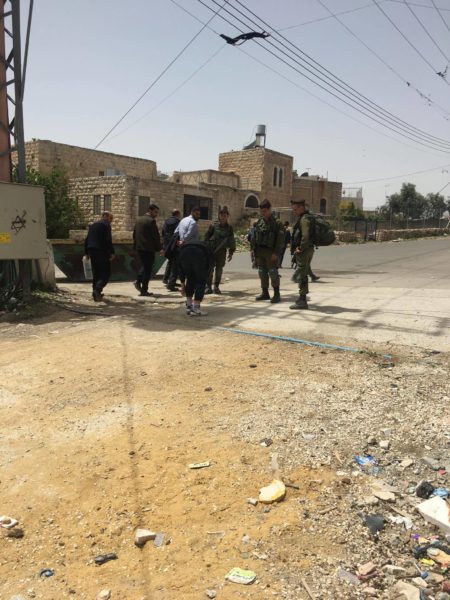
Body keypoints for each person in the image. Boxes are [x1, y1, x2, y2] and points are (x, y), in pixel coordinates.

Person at [251, 199, 284, 303]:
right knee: (262, 273)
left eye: (265, 211)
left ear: (270, 209)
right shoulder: (259, 222)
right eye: (262, 211)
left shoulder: (277, 223)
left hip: (271, 253)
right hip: (260, 252)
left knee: (273, 272)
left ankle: (277, 294)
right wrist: (253, 251)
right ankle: (265, 293)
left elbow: (280, 240)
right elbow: (254, 237)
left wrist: (276, 253)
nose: (263, 213)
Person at [290, 199, 315, 310]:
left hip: (304, 251)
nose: (294, 211)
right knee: (303, 273)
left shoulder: (304, 219)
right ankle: (302, 298)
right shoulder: (307, 217)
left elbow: (305, 236)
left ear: (301, 207)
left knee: (302, 275)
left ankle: (302, 300)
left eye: (295, 209)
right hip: (308, 249)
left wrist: (300, 247)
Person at [84, 211, 115, 302]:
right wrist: (112, 252)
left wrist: (86, 252)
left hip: (92, 250)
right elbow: (108, 240)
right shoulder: (106, 225)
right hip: (102, 251)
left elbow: (87, 239)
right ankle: (97, 290)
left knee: (96, 273)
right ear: (108, 217)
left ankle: (96, 293)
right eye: (111, 219)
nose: (111, 221)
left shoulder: (93, 225)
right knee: (106, 273)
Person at [204, 208, 236, 294]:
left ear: (227, 216)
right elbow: (206, 237)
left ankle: (216, 287)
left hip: (221, 252)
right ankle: (208, 287)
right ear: (219, 216)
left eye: (225, 215)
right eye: (221, 215)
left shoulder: (229, 228)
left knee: (219, 269)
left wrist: (231, 252)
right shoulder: (213, 226)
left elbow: (231, 240)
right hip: (211, 251)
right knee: (210, 269)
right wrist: (206, 249)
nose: (223, 217)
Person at [133, 203, 162, 297]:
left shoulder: (138, 220)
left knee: (145, 266)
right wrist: (160, 248)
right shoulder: (151, 221)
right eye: (155, 212)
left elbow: (134, 234)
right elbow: (155, 236)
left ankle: (138, 282)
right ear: (150, 210)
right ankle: (143, 290)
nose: (156, 214)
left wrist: (135, 246)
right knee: (147, 269)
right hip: (148, 249)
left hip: (139, 247)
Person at [178, 240, 212, 316]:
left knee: (190, 279)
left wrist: (182, 284)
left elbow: (180, 269)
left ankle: (189, 306)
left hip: (184, 254)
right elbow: (209, 264)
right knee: (201, 281)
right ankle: (196, 307)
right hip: (199, 255)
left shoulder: (181, 250)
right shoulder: (205, 247)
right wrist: (205, 275)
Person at [162, 209, 181, 291]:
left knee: (170, 262)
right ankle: (171, 283)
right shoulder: (178, 222)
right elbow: (179, 234)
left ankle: (166, 279)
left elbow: (163, 233)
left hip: (167, 245)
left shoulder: (166, 222)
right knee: (175, 265)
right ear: (178, 214)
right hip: (175, 245)